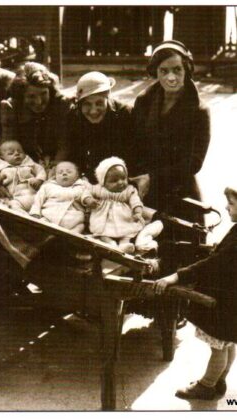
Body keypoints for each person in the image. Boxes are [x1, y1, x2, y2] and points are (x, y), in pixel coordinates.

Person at [154, 184, 237, 400]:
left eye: (231, 204)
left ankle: (207, 385)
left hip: (224, 300)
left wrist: (177, 276)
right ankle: (219, 380)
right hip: (232, 300)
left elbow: (214, 263)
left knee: (218, 346)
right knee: (228, 342)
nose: (227, 208)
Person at [131, 40, 210, 220]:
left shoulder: (199, 111)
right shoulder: (143, 102)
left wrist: (153, 178)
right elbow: (134, 143)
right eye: (163, 71)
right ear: (155, 72)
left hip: (180, 191)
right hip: (144, 190)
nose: (171, 77)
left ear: (187, 70)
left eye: (177, 70)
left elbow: (193, 163)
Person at [1, 62, 71, 172]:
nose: (38, 102)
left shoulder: (61, 104)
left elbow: (65, 142)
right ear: (21, 96)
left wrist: (56, 165)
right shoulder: (11, 107)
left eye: (43, 94)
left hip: (57, 164)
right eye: (31, 96)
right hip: (25, 163)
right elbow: (9, 145)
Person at [84, 157, 163, 254]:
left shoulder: (129, 190)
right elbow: (86, 192)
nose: (121, 182)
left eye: (123, 178)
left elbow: (136, 201)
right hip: (103, 218)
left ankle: (124, 244)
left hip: (123, 218)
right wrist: (89, 200)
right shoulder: (98, 189)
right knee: (101, 232)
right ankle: (110, 243)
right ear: (103, 182)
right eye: (114, 180)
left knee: (127, 233)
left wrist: (137, 212)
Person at [67, 71, 135, 183]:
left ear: (108, 98)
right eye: (87, 104)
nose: (93, 111)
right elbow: (74, 154)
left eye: (99, 103)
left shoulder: (125, 114)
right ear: (79, 104)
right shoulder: (74, 116)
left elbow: (132, 156)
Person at [0, 140, 46, 212]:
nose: (17, 154)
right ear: (3, 157)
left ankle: (30, 214)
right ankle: (27, 216)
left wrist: (39, 179)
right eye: (11, 153)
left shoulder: (30, 164)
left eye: (20, 152)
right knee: (11, 205)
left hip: (34, 194)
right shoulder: (2, 169)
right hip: (15, 197)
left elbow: (41, 170)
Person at [30, 161, 89, 234]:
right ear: (55, 176)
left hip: (73, 220)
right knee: (41, 223)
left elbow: (89, 199)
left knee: (81, 226)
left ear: (77, 175)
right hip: (49, 216)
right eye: (60, 172)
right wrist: (35, 212)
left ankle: (71, 236)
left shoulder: (82, 187)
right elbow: (38, 200)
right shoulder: (48, 186)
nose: (64, 173)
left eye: (69, 172)